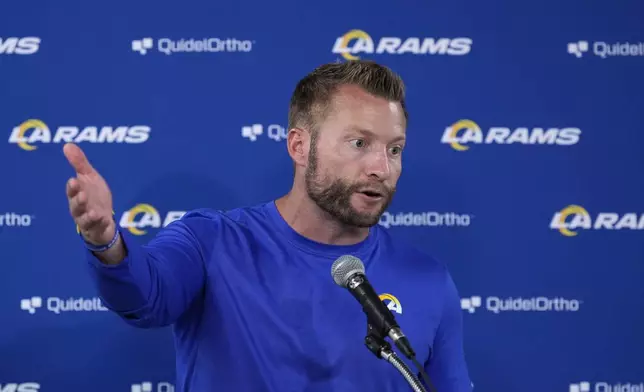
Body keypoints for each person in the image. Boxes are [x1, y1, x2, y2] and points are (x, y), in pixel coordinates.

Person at [63, 60, 472, 392]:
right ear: (299, 146)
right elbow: (144, 296)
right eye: (359, 143)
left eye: (395, 149)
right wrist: (106, 241)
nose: (382, 168)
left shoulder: (430, 281)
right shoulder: (211, 242)